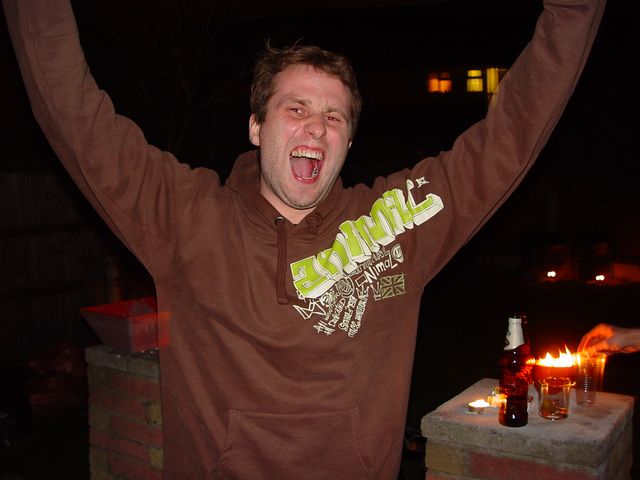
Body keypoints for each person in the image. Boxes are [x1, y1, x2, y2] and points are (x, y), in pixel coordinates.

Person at [3, 0, 605, 478]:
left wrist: (573, 10)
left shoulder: (399, 223)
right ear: (256, 126)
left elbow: (509, 138)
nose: (317, 126)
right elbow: (75, 116)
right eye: (296, 108)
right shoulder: (185, 218)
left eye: (334, 116)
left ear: (348, 142)